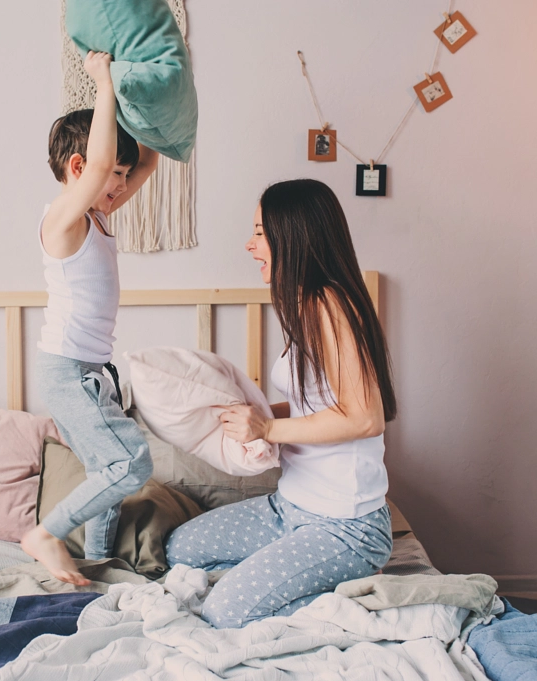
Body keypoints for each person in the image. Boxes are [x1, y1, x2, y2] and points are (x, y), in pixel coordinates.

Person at [165, 179, 396, 628]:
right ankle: (285, 576)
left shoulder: (331, 303)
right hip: (289, 507)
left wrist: (267, 430)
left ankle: (353, 594)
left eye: (259, 233)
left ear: (292, 236)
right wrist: (256, 415)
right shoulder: (304, 305)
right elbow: (318, 406)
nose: (249, 246)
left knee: (224, 611)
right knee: (180, 550)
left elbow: (366, 417)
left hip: (344, 527)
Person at [21, 52, 160, 586]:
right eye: (111, 175)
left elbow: (147, 162)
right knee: (132, 464)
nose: (121, 185)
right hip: (68, 370)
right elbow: (103, 167)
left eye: (121, 176)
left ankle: (100, 559)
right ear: (78, 169)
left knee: (109, 472)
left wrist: (136, 99)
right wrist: (103, 84)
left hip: (91, 372)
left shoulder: (98, 216)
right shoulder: (63, 219)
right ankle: (46, 534)